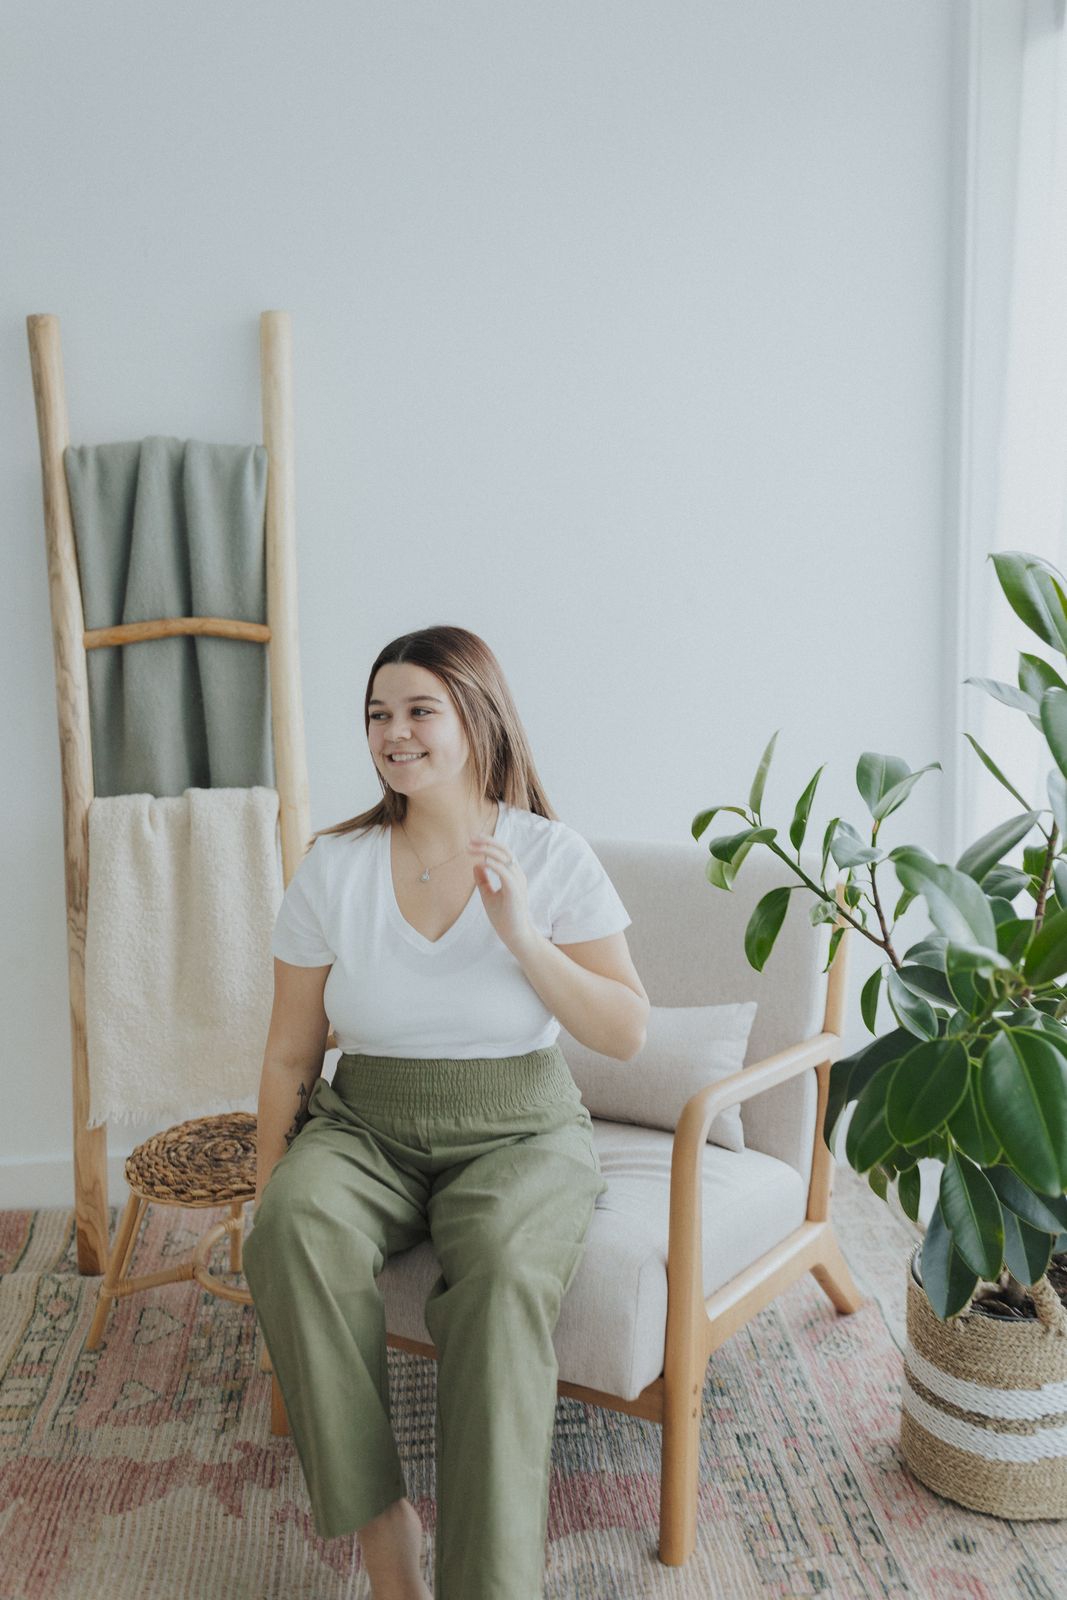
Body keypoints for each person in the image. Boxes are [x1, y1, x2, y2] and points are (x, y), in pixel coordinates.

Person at [242, 623, 649, 1600]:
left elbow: (626, 1030)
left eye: (419, 710)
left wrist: (521, 935)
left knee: (503, 1276)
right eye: (377, 714)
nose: (393, 732)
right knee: (291, 1228)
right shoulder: (333, 864)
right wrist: (265, 1191)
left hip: (521, 1130)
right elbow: (291, 1050)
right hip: (365, 1123)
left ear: (476, 718)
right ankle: (384, 1533)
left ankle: (486, 1583)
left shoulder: (549, 854)